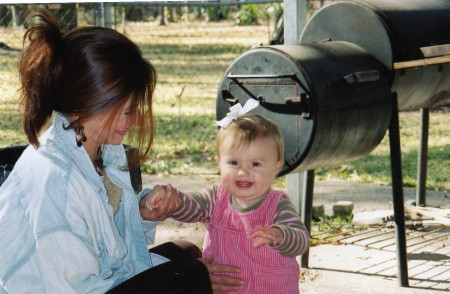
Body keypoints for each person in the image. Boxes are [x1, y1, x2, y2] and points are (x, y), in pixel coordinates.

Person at [0, 9, 244, 294]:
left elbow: (106, 237)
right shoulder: (57, 188)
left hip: (97, 276)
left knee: (186, 252)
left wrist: (139, 212)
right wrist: (189, 282)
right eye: (127, 111)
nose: (137, 121)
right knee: (193, 275)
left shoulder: (94, 147)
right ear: (87, 104)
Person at [145, 101, 310, 294]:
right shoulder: (216, 198)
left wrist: (282, 235)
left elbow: (301, 239)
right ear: (219, 163)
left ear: (276, 167)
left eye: (255, 164)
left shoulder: (277, 205)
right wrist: (173, 199)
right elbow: (192, 207)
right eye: (233, 162)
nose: (243, 172)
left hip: (272, 288)